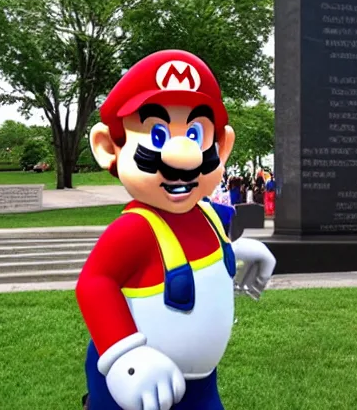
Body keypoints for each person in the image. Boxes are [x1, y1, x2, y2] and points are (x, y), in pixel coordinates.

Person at [77, 50, 276, 410]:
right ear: (109, 148)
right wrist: (126, 357)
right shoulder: (135, 229)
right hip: (136, 385)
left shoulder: (212, 215)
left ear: (222, 145)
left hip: (201, 384)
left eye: (197, 133)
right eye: (157, 133)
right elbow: (95, 283)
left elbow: (206, 250)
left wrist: (241, 251)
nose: (183, 157)